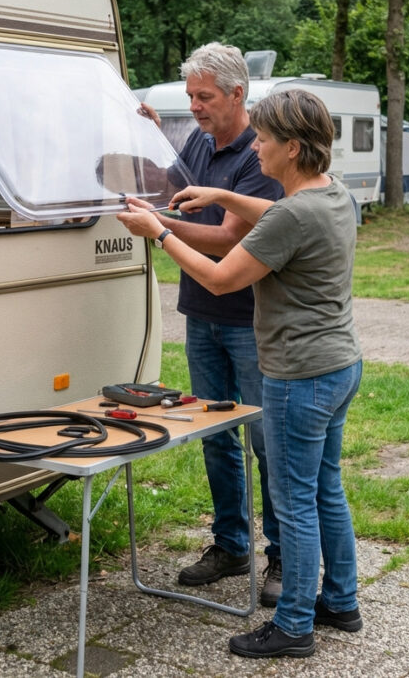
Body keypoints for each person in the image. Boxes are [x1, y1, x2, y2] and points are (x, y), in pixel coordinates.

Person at [118, 87, 363, 659]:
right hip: (339, 366)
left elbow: (223, 278)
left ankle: (295, 624)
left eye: (265, 139)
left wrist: (159, 232)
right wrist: (224, 192)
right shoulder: (334, 196)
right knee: (325, 487)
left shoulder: (294, 215)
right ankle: (341, 600)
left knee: (295, 499)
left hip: (297, 376)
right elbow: (279, 214)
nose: (256, 145)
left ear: (294, 148)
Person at [140, 43, 284, 606]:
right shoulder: (199, 144)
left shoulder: (260, 155)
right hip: (201, 315)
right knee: (215, 435)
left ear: (236, 94)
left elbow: (228, 237)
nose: (195, 107)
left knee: (264, 441)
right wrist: (147, 138)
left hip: (249, 321)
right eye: (190, 97)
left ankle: (281, 557)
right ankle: (230, 545)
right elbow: (171, 191)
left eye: (204, 97)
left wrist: (157, 227)